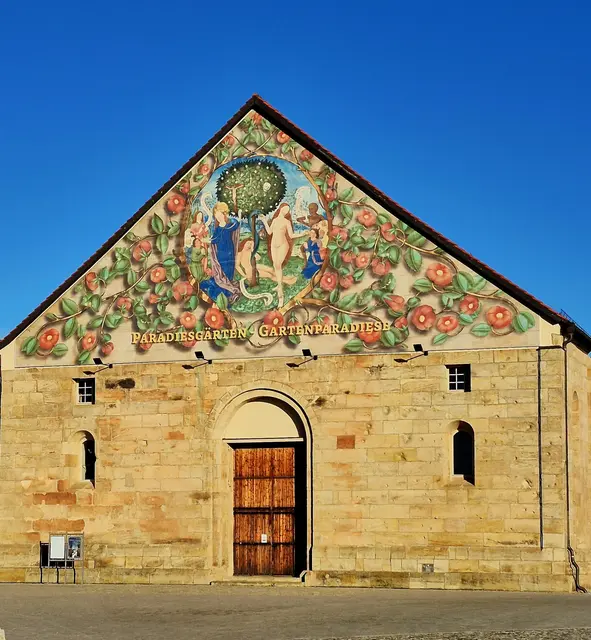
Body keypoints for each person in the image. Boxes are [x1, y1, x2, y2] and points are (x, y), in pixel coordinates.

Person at [262, 203, 306, 308]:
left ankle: (280, 293)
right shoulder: (275, 220)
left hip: (283, 245)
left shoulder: (287, 222)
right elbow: (269, 232)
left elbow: (291, 235)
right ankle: (279, 284)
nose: (286, 211)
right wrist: (263, 220)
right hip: (274, 245)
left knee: (278, 265)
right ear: (280, 208)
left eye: (287, 210)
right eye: (284, 209)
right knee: (275, 265)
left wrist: (302, 234)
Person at [200, 202, 241, 304]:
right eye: (216, 216)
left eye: (220, 214)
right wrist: (205, 240)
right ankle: (226, 288)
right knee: (222, 269)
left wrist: (234, 218)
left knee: (229, 268)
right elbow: (214, 239)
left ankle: (228, 286)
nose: (218, 217)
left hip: (229, 251)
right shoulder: (218, 228)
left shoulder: (230, 224)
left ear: (224, 214)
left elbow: (236, 224)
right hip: (221, 252)